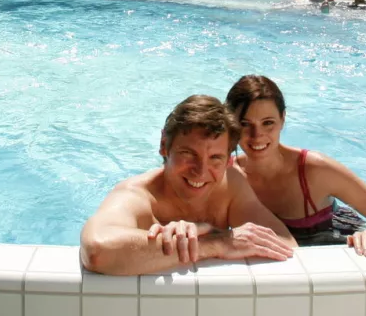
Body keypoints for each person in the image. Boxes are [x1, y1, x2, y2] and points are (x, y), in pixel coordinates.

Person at [79, 94, 297, 275]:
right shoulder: (137, 196)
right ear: (164, 146)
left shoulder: (231, 185)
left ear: (229, 161)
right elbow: (98, 251)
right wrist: (215, 244)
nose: (200, 171)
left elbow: (287, 245)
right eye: (188, 154)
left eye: (215, 158)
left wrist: (208, 232)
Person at [227, 75, 366, 256]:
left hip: (336, 241)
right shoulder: (225, 174)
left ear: (283, 119)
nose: (256, 135)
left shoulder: (314, 169)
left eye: (268, 122)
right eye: (245, 124)